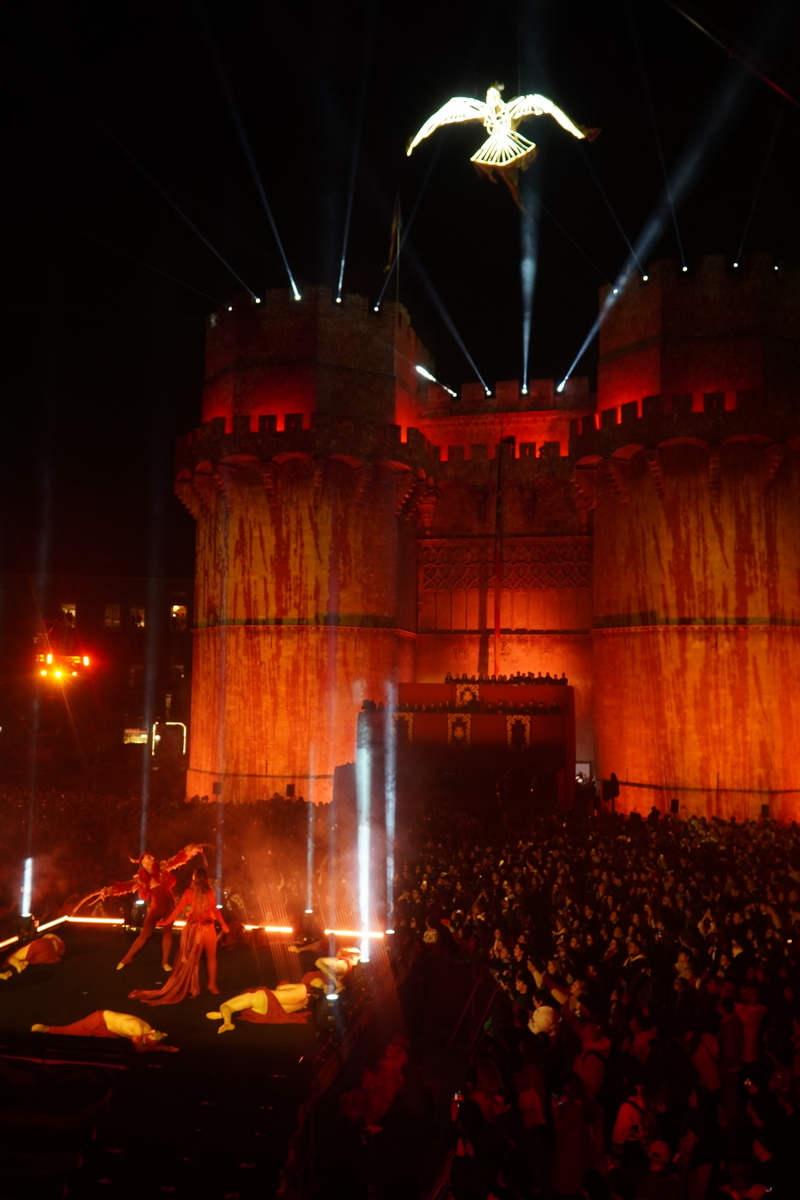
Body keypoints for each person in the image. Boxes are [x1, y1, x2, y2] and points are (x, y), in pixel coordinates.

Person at [128, 866, 228, 1004]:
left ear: (195, 878)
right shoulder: (190, 892)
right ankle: (193, 985)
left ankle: (211, 984)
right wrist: (166, 921)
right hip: (195, 927)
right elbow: (179, 909)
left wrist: (223, 924)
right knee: (193, 958)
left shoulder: (208, 892)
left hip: (207, 925)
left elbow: (213, 909)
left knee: (209, 956)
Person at [100, 843, 205, 971]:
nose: (151, 859)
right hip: (157, 907)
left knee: (167, 933)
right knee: (145, 933)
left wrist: (190, 851)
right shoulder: (141, 879)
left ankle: (165, 962)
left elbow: (176, 859)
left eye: (151, 857)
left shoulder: (162, 868)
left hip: (170, 904)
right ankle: (127, 957)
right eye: (148, 858)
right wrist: (108, 890)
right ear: (142, 863)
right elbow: (125, 886)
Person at [31, 1010, 177, 1052]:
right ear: (150, 1034)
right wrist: (159, 1048)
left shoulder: (148, 1031)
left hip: (110, 1030)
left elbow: (146, 1044)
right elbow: (139, 1048)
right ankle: (46, 1029)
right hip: (100, 1020)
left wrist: (164, 1047)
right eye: (148, 1041)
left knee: (107, 1048)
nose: (147, 1042)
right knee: (71, 1032)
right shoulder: (137, 1028)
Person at [206, 983, 312, 1032]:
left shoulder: (302, 989)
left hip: (262, 1004)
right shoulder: (300, 1004)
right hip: (265, 1007)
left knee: (225, 1006)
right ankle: (224, 1016)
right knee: (231, 1006)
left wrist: (283, 986)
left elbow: (280, 987)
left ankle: (226, 1020)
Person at [0, 932, 65, 979]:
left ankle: (18, 967)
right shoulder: (60, 944)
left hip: (46, 948)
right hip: (51, 955)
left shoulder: (50, 938)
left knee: (11, 958)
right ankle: (18, 967)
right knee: (28, 958)